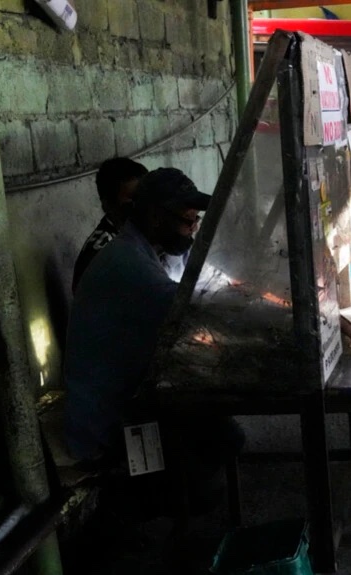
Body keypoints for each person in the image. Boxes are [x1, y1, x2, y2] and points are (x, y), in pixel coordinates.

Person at [64, 167, 243, 515]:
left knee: (218, 428)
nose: (192, 229)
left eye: (195, 221)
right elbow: (197, 312)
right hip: (105, 420)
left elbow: (212, 285)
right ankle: (173, 529)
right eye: (186, 221)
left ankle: (184, 512)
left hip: (131, 393)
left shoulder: (151, 249)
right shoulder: (128, 265)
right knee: (219, 437)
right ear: (156, 217)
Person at [72, 157, 148, 292]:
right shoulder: (103, 252)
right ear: (108, 205)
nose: (140, 206)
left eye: (144, 198)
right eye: (131, 200)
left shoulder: (135, 235)